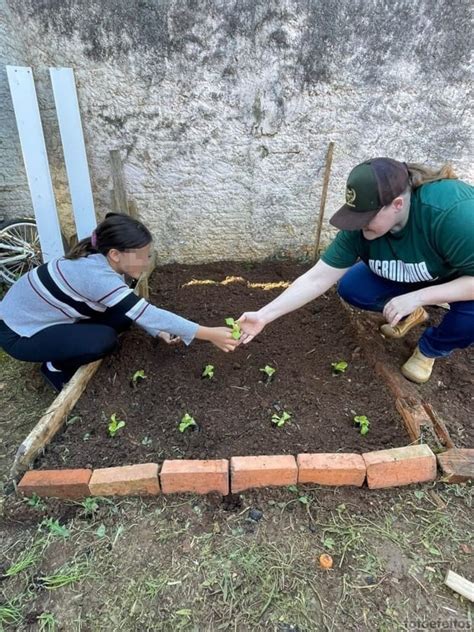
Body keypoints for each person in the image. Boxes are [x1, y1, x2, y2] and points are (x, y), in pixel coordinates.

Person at [238, 158, 474, 384]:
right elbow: (317, 278)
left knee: (468, 320)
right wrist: (264, 315)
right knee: (353, 288)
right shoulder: (361, 226)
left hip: (461, 280)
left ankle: (430, 349)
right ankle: (410, 312)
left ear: (397, 204)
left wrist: (418, 297)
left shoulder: (453, 214)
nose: (358, 225)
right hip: (415, 273)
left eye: (366, 218)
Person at [0, 213, 238, 391]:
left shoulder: (98, 259)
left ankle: (64, 342)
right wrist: (209, 334)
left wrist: (157, 331)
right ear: (115, 254)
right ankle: (54, 367)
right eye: (142, 256)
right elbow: (149, 312)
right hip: (19, 333)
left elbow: (137, 311)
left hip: (45, 316)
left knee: (124, 314)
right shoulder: (97, 276)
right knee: (102, 341)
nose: (146, 262)